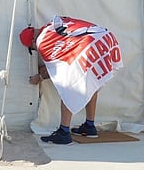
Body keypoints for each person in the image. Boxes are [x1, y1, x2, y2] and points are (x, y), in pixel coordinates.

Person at [19, 15, 123, 145]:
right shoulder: (51, 25)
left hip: (89, 43)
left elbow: (58, 70)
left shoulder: (42, 42)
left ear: (33, 42)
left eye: (33, 49)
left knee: (68, 85)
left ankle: (64, 133)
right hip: (105, 36)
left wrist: (39, 77)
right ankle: (90, 126)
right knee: (90, 82)